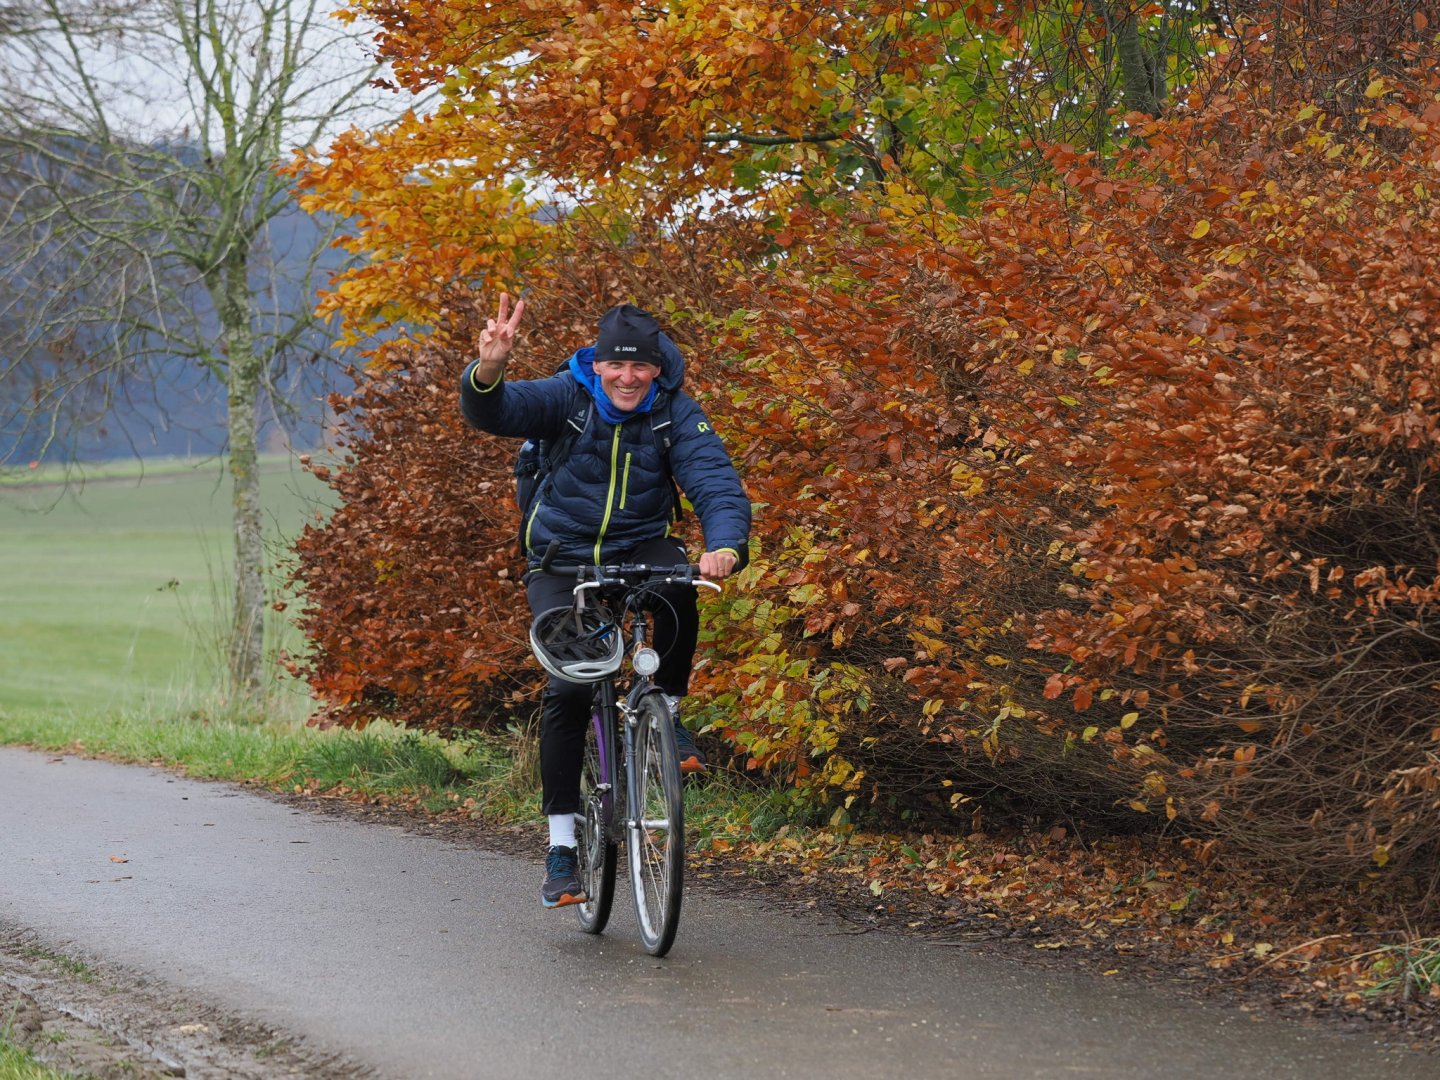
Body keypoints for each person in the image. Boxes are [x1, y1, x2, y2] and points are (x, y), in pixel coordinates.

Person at [459, 294, 751, 908]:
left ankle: (667, 709)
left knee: (678, 586)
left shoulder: (675, 411)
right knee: (569, 688)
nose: (627, 377)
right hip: (562, 560)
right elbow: (497, 411)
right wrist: (490, 368)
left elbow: (715, 481)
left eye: (640, 366)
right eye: (616, 365)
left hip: (640, 547)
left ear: (656, 367)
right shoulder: (566, 397)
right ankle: (562, 847)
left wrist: (724, 544)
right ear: (597, 364)